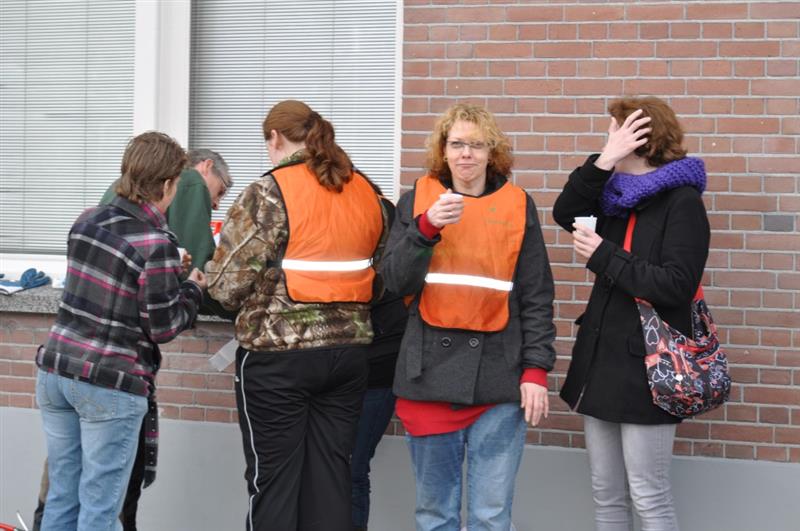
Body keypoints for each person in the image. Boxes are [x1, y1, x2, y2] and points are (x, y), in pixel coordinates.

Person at [205, 100, 387, 531]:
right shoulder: (365, 190)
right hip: (349, 354)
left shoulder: (271, 191)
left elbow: (227, 286)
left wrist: (202, 278)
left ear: (275, 138)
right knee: (331, 480)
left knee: (275, 483)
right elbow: (381, 272)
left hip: (279, 359)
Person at [31, 148, 232, 531]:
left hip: (56, 370)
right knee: (100, 509)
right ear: (169, 184)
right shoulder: (155, 242)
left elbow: (108, 277)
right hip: (109, 383)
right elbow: (163, 327)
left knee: (61, 498)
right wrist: (191, 288)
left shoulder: (85, 221)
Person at [379, 103, 556, 531]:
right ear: (443, 149)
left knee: (491, 517)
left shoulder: (517, 204)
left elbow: (536, 294)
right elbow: (393, 281)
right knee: (435, 514)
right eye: (457, 144)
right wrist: (424, 229)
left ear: (492, 152)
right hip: (429, 379)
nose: (466, 154)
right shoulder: (418, 200)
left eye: (476, 145)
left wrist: (536, 370)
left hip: (499, 375)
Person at [553, 96, 710, 531]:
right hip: (601, 364)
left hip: (650, 371)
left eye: (615, 131)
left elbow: (676, 285)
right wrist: (604, 160)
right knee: (606, 495)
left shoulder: (682, 202)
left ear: (641, 138)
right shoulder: (613, 196)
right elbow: (565, 211)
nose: (609, 137)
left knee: (649, 495)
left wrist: (604, 254)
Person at [351, 187, 408, 531]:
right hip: (342, 369)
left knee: (352, 468)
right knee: (340, 468)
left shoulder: (385, 230)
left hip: (377, 371)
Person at [101, 148, 233, 271]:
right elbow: (197, 263)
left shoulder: (123, 182)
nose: (217, 205)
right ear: (207, 166)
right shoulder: (192, 181)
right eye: (221, 191)